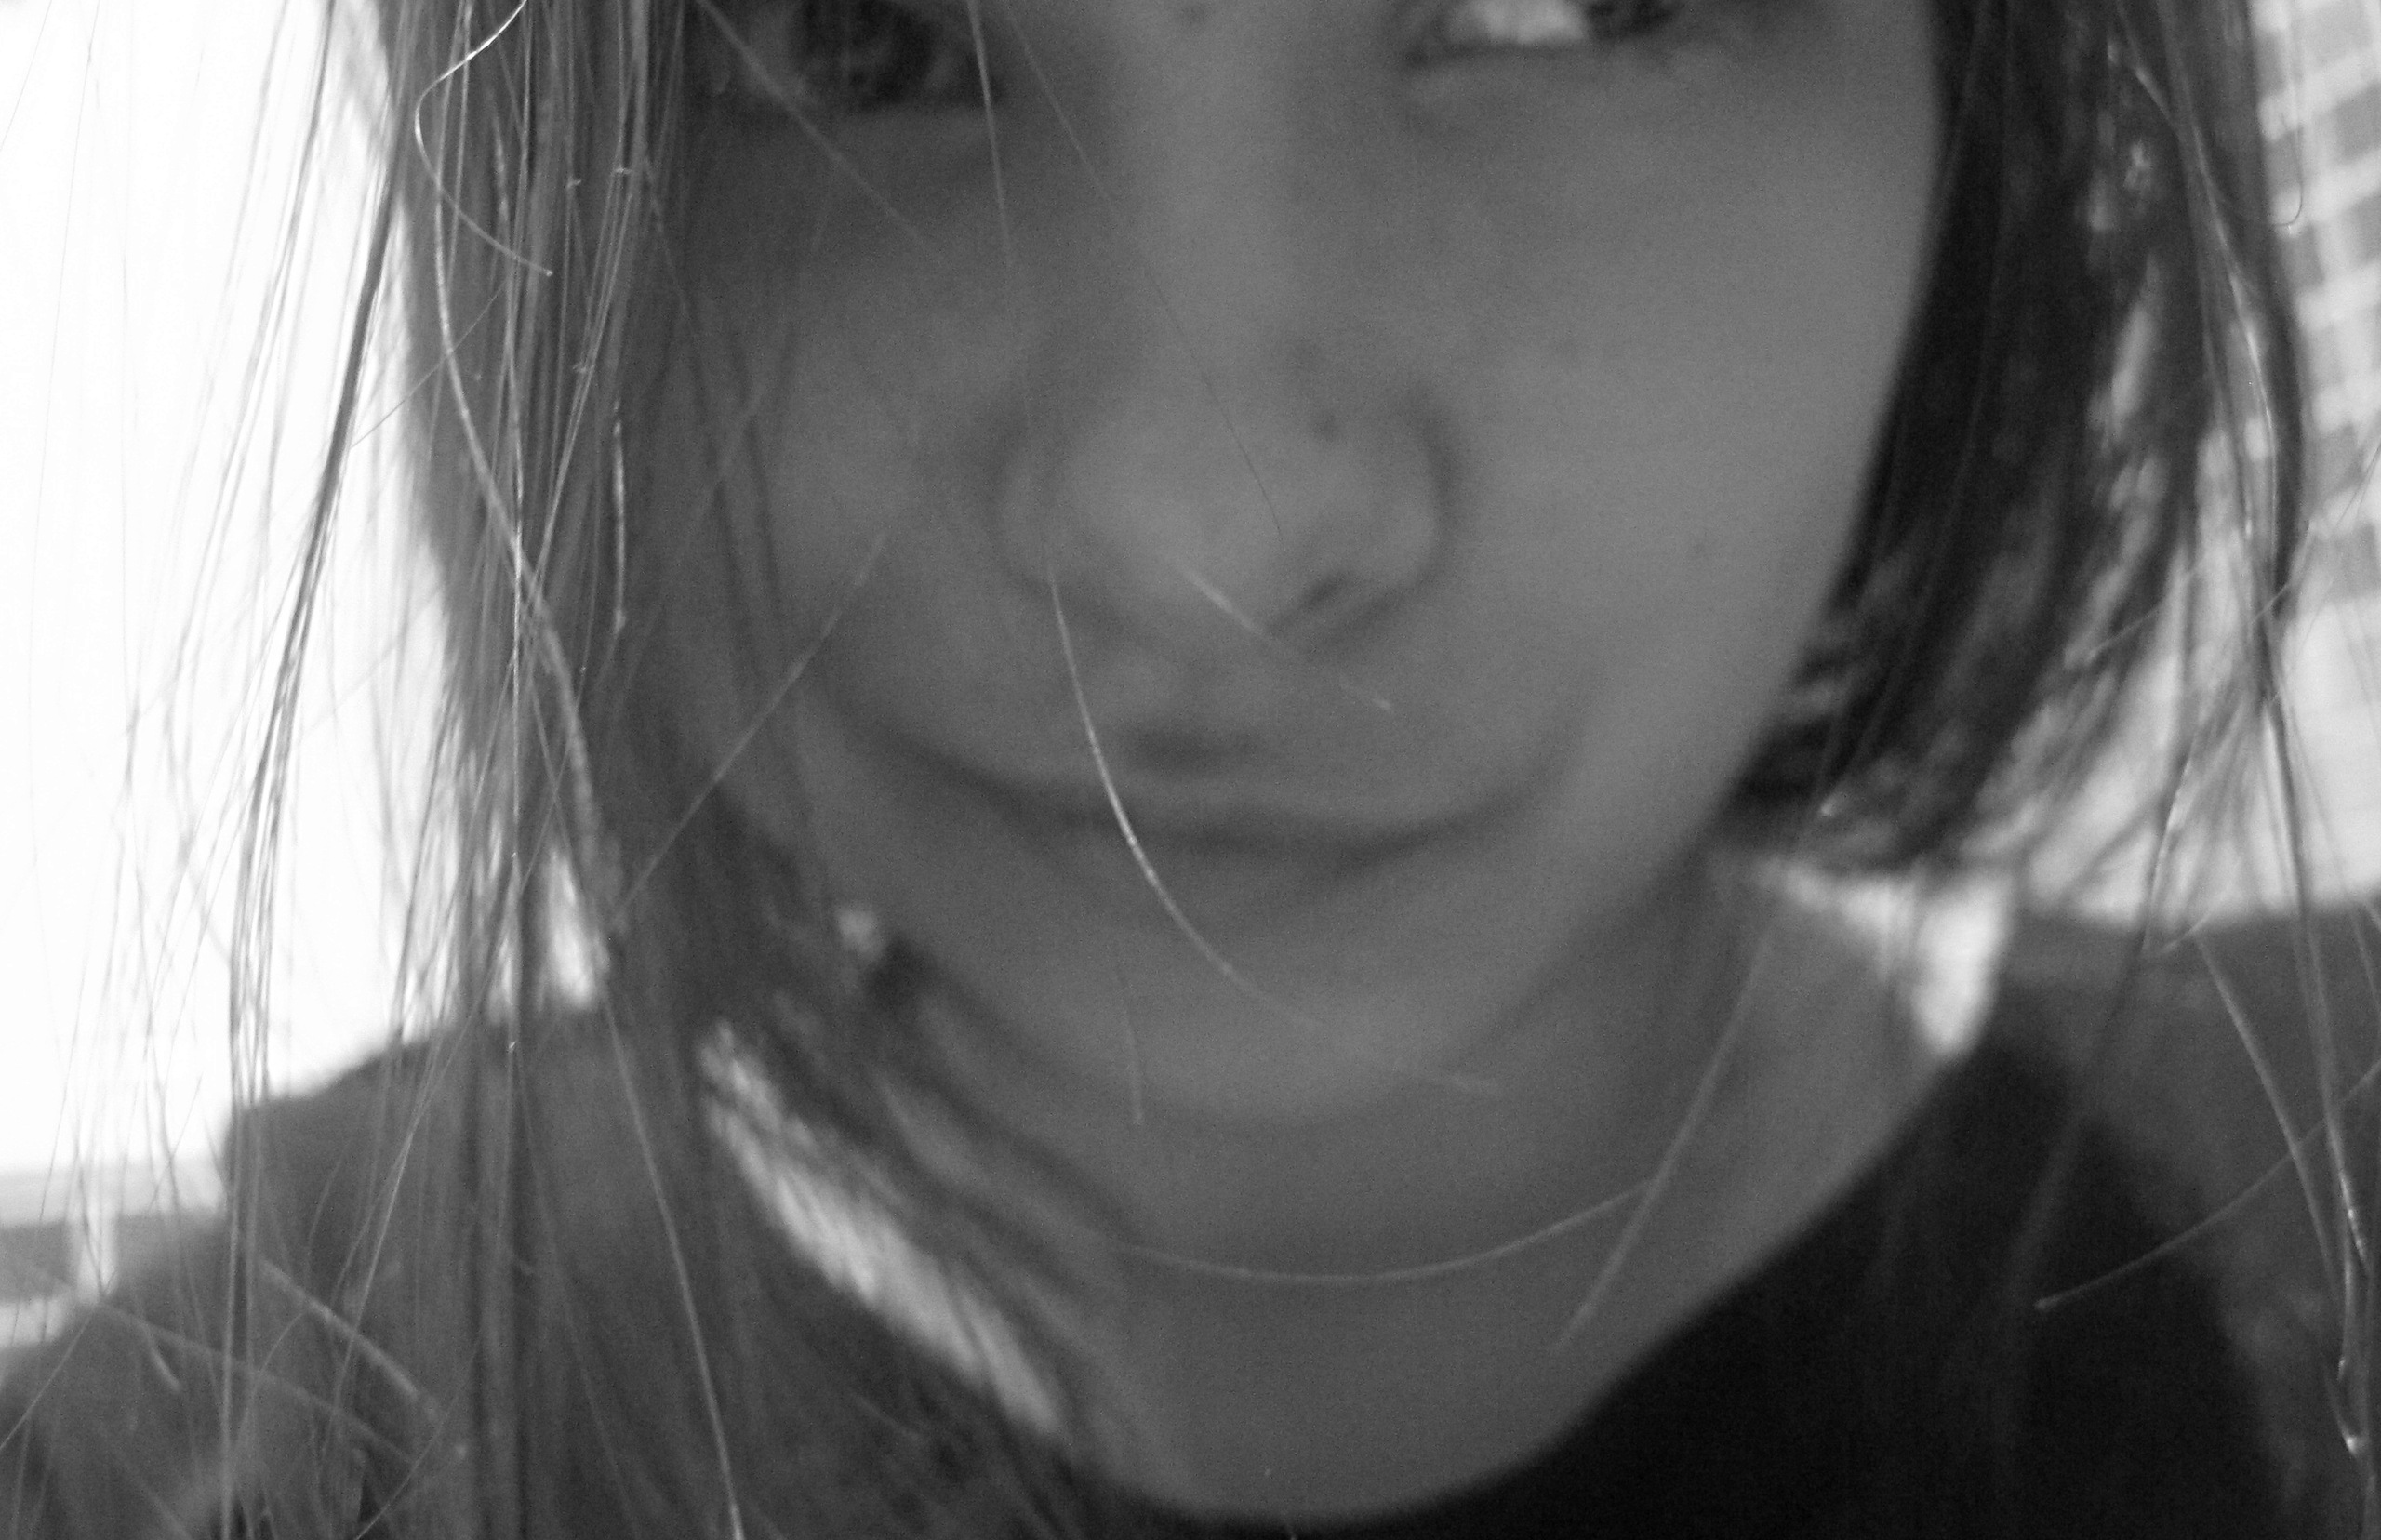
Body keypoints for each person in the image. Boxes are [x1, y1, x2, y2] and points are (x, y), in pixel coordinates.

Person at [2, 0, 2374, 1533]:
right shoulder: (233, 1444)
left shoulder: (2322, 1220)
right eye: (843, 33)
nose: (1198, 531)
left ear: (1978, 106)